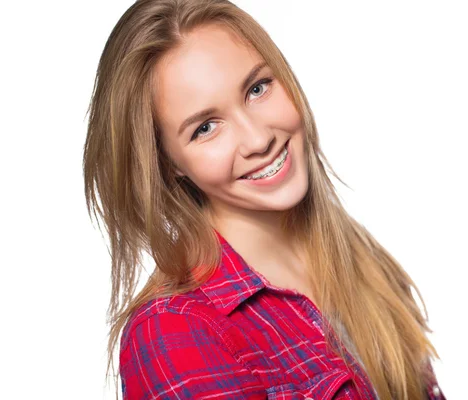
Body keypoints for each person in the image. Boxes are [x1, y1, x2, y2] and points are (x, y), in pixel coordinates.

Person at [82, 0, 446, 399]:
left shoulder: (360, 259)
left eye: (258, 88)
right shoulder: (174, 330)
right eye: (205, 128)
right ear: (169, 164)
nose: (259, 139)